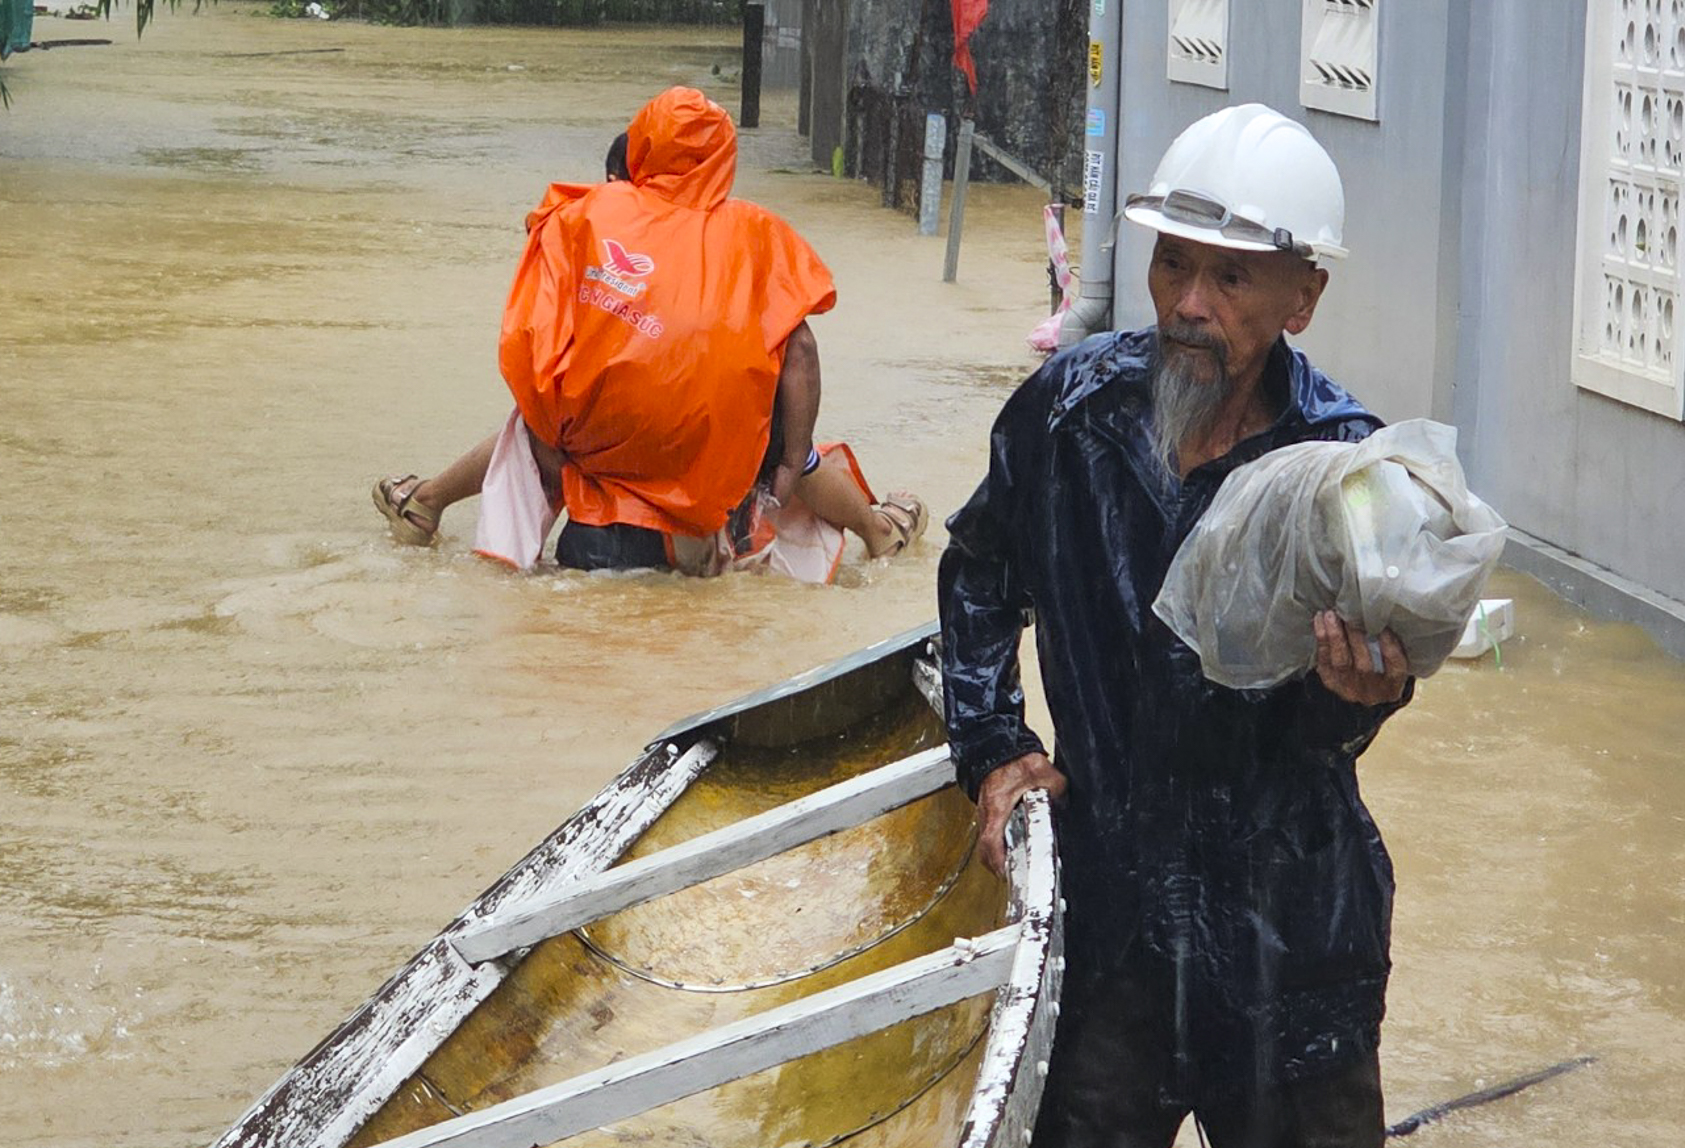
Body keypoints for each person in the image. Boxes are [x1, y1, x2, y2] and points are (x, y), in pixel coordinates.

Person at [938, 104, 1415, 1147]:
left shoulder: (1348, 471)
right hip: (1111, 927)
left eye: (1231, 278)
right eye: (1172, 267)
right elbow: (978, 574)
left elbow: (1348, 707)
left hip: (1296, 936)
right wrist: (996, 744)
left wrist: (1359, 699)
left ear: (1305, 295)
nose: (1188, 306)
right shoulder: (1069, 413)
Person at [373, 88, 925, 578]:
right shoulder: (757, 232)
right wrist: (786, 459)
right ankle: (878, 532)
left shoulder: (582, 213)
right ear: (723, 158)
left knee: (536, 427)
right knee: (781, 438)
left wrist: (555, 425)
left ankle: (428, 501)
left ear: (639, 151)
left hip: (593, 465)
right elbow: (800, 349)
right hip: (718, 473)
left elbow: (532, 335)